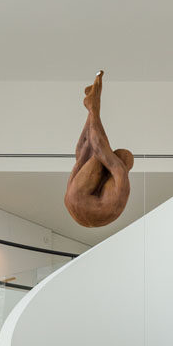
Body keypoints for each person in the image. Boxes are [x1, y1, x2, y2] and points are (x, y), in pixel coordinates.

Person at [64, 71, 133, 229]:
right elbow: (86, 153)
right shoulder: (117, 186)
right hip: (76, 204)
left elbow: (99, 147)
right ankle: (91, 103)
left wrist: (94, 110)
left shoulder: (119, 174)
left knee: (95, 154)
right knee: (87, 156)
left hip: (80, 201)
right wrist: (92, 112)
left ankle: (92, 103)